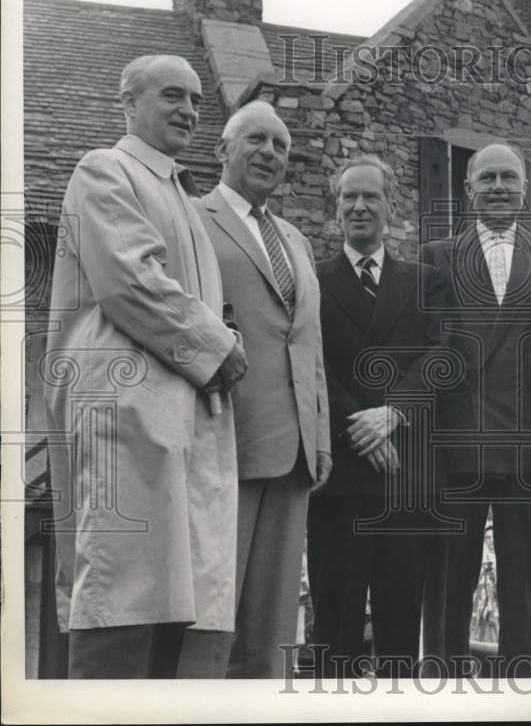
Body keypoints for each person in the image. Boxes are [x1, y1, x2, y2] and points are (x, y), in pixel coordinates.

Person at [44, 54, 247, 678]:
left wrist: (218, 339)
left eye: (194, 99)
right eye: (171, 96)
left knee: (181, 602)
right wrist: (221, 348)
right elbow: (131, 282)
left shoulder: (180, 196)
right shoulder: (104, 170)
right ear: (128, 103)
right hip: (124, 416)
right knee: (121, 587)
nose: (188, 109)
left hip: (185, 420)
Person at [421, 143, 531, 677]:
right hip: (457, 444)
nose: (500, 187)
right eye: (488, 178)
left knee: (527, 583)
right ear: (468, 190)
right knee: (447, 583)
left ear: (525, 188)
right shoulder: (436, 256)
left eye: (510, 177)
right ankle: (441, 689)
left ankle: (523, 690)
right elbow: (430, 349)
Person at [194, 100, 331, 678]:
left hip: (294, 452)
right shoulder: (193, 220)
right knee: (211, 617)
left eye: (280, 146)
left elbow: (309, 347)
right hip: (224, 442)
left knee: (273, 632)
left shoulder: (295, 240)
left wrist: (319, 436)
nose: (269, 153)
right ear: (223, 149)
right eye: (256, 139)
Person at [308, 156, 449, 678]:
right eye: (349, 197)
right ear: (336, 206)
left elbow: (441, 356)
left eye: (371, 197)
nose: (359, 206)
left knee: (398, 632)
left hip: (403, 479)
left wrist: (393, 413)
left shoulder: (426, 281)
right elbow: (311, 363)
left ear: (393, 206)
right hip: (339, 477)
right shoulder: (313, 279)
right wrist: (360, 425)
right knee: (335, 631)